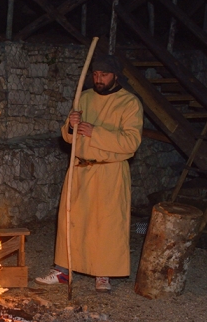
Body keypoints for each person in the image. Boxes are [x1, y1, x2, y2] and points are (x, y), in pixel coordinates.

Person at [35, 55, 143, 292]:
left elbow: (131, 143)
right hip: (80, 169)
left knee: (106, 223)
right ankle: (64, 270)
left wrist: (97, 132)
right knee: (72, 220)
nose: (99, 79)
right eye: (95, 74)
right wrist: (71, 126)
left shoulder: (129, 103)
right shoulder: (83, 98)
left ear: (115, 75)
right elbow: (68, 137)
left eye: (104, 75)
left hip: (109, 171)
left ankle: (103, 273)